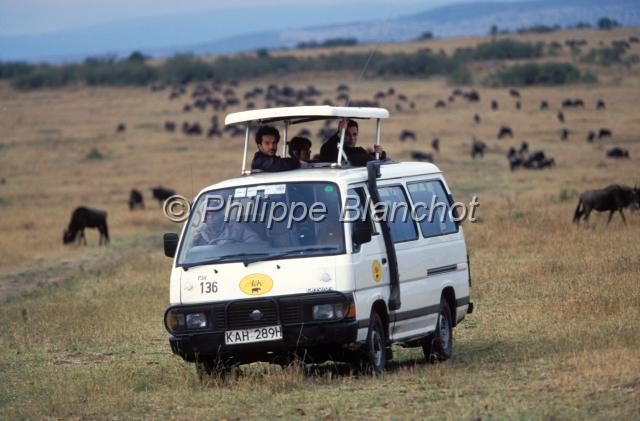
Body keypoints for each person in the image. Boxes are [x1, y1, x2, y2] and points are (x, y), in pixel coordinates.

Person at [318, 119, 386, 166]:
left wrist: (379, 153)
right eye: (347, 134)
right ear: (341, 135)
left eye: (354, 134)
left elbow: (369, 157)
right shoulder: (333, 149)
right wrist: (339, 134)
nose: (351, 138)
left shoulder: (359, 151)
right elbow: (327, 149)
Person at [191, 209, 261, 246]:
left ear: (222, 215)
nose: (211, 217)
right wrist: (194, 242)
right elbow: (188, 256)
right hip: (207, 266)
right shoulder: (198, 233)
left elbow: (255, 243)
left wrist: (236, 248)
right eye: (208, 214)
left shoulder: (237, 227)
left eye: (214, 214)